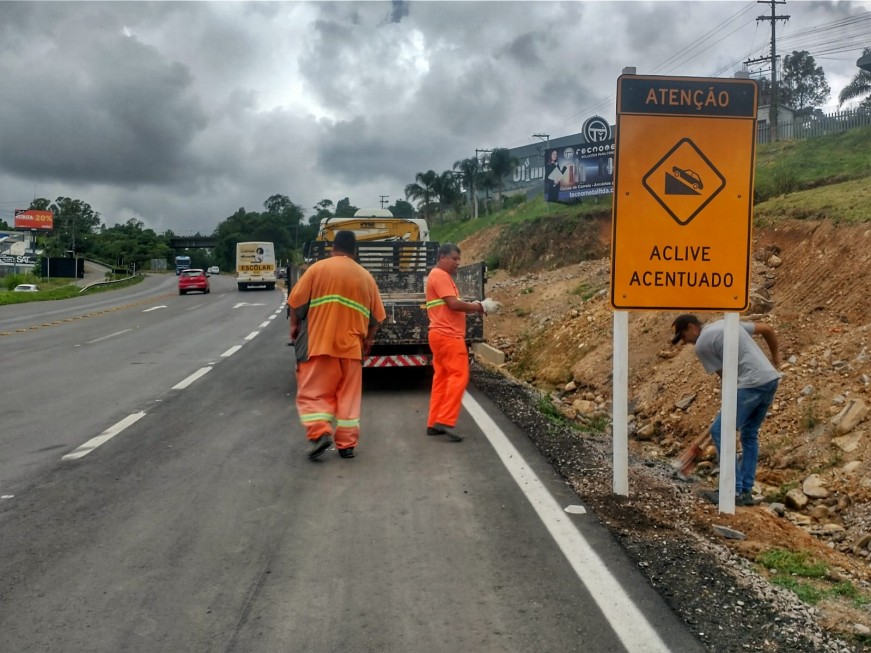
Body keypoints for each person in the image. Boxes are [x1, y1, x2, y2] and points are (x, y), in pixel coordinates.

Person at [288, 230, 386, 460]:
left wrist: (294, 326)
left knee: (313, 393)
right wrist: (369, 339)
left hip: (319, 345)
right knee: (348, 397)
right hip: (352, 348)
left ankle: (320, 433)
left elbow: (295, 301)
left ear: (334, 247)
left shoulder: (318, 269)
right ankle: (347, 445)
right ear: (355, 251)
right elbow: (377, 318)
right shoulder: (366, 277)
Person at [670, 314, 781, 506]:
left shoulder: (702, 344)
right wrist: (776, 359)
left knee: (720, 430)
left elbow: (726, 377)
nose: (684, 342)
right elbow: (767, 329)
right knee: (749, 434)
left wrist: (732, 402)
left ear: (691, 327)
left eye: (683, 336)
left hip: (750, 384)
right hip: (770, 379)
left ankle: (732, 491)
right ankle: (745, 491)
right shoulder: (725, 324)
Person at [425, 243, 487, 442]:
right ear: (442, 257)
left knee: (442, 378)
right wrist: (479, 306)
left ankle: (434, 422)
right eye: (454, 258)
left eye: (458, 259)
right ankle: (445, 419)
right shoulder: (441, 276)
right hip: (449, 336)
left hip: (438, 334)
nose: (457, 263)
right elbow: (453, 304)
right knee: (459, 375)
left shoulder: (435, 275)